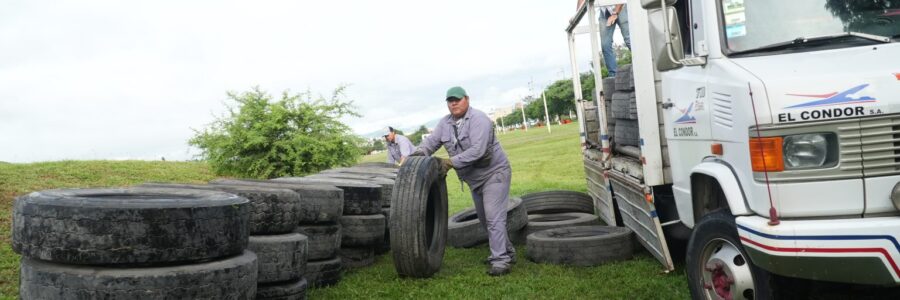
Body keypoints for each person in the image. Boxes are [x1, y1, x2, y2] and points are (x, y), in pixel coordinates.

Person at [411, 86, 515, 276]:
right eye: (450, 100)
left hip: (494, 174)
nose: (454, 103)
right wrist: (418, 154)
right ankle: (507, 251)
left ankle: (500, 261)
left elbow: (478, 151)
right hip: (474, 180)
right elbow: (431, 142)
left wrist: (450, 162)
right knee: (485, 220)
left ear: (467, 99)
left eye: (457, 99)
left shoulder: (479, 119)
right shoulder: (445, 123)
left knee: (493, 218)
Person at [599, 4, 631, 77]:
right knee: (605, 45)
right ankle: (614, 76)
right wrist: (576, 16)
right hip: (605, 11)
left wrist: (615, 13)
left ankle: (642, 65)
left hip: (620, 5)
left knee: (629, 40)